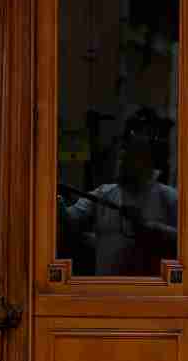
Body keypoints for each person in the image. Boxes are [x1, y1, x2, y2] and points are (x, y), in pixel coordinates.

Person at [58, 119, 177, 277]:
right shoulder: (102, 193)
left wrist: (150, 227)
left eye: (130, 155)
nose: (121, 161)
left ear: (147, 161)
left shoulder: (168, 197)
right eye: (121, 156)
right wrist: (56, 204)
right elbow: (71, 219)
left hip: (149, 296)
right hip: (106, 294)